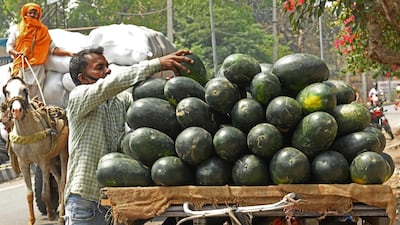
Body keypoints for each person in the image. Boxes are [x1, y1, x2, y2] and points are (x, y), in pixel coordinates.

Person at [64, 46, 193, 225]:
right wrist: (156, 64)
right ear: (82, 78)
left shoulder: (120, 101)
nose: (107, 70)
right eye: (99, 68)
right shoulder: (78, 98)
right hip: (87, 200)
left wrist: (172, 90)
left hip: (115, 197)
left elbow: (147, 109)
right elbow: (113, 83)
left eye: (107, 66)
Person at [6, 2, 74, 100]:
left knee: (35, 100)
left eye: (35, 13)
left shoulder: (43, 31)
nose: (33, 15)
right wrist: (17, 53)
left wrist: (68, 53)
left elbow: (53, 49)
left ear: (39, 15)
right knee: (17, 97)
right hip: (20, 66)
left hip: (37, 69)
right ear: (25, 13)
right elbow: (9, 47)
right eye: (31, 12)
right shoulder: (17, 29)